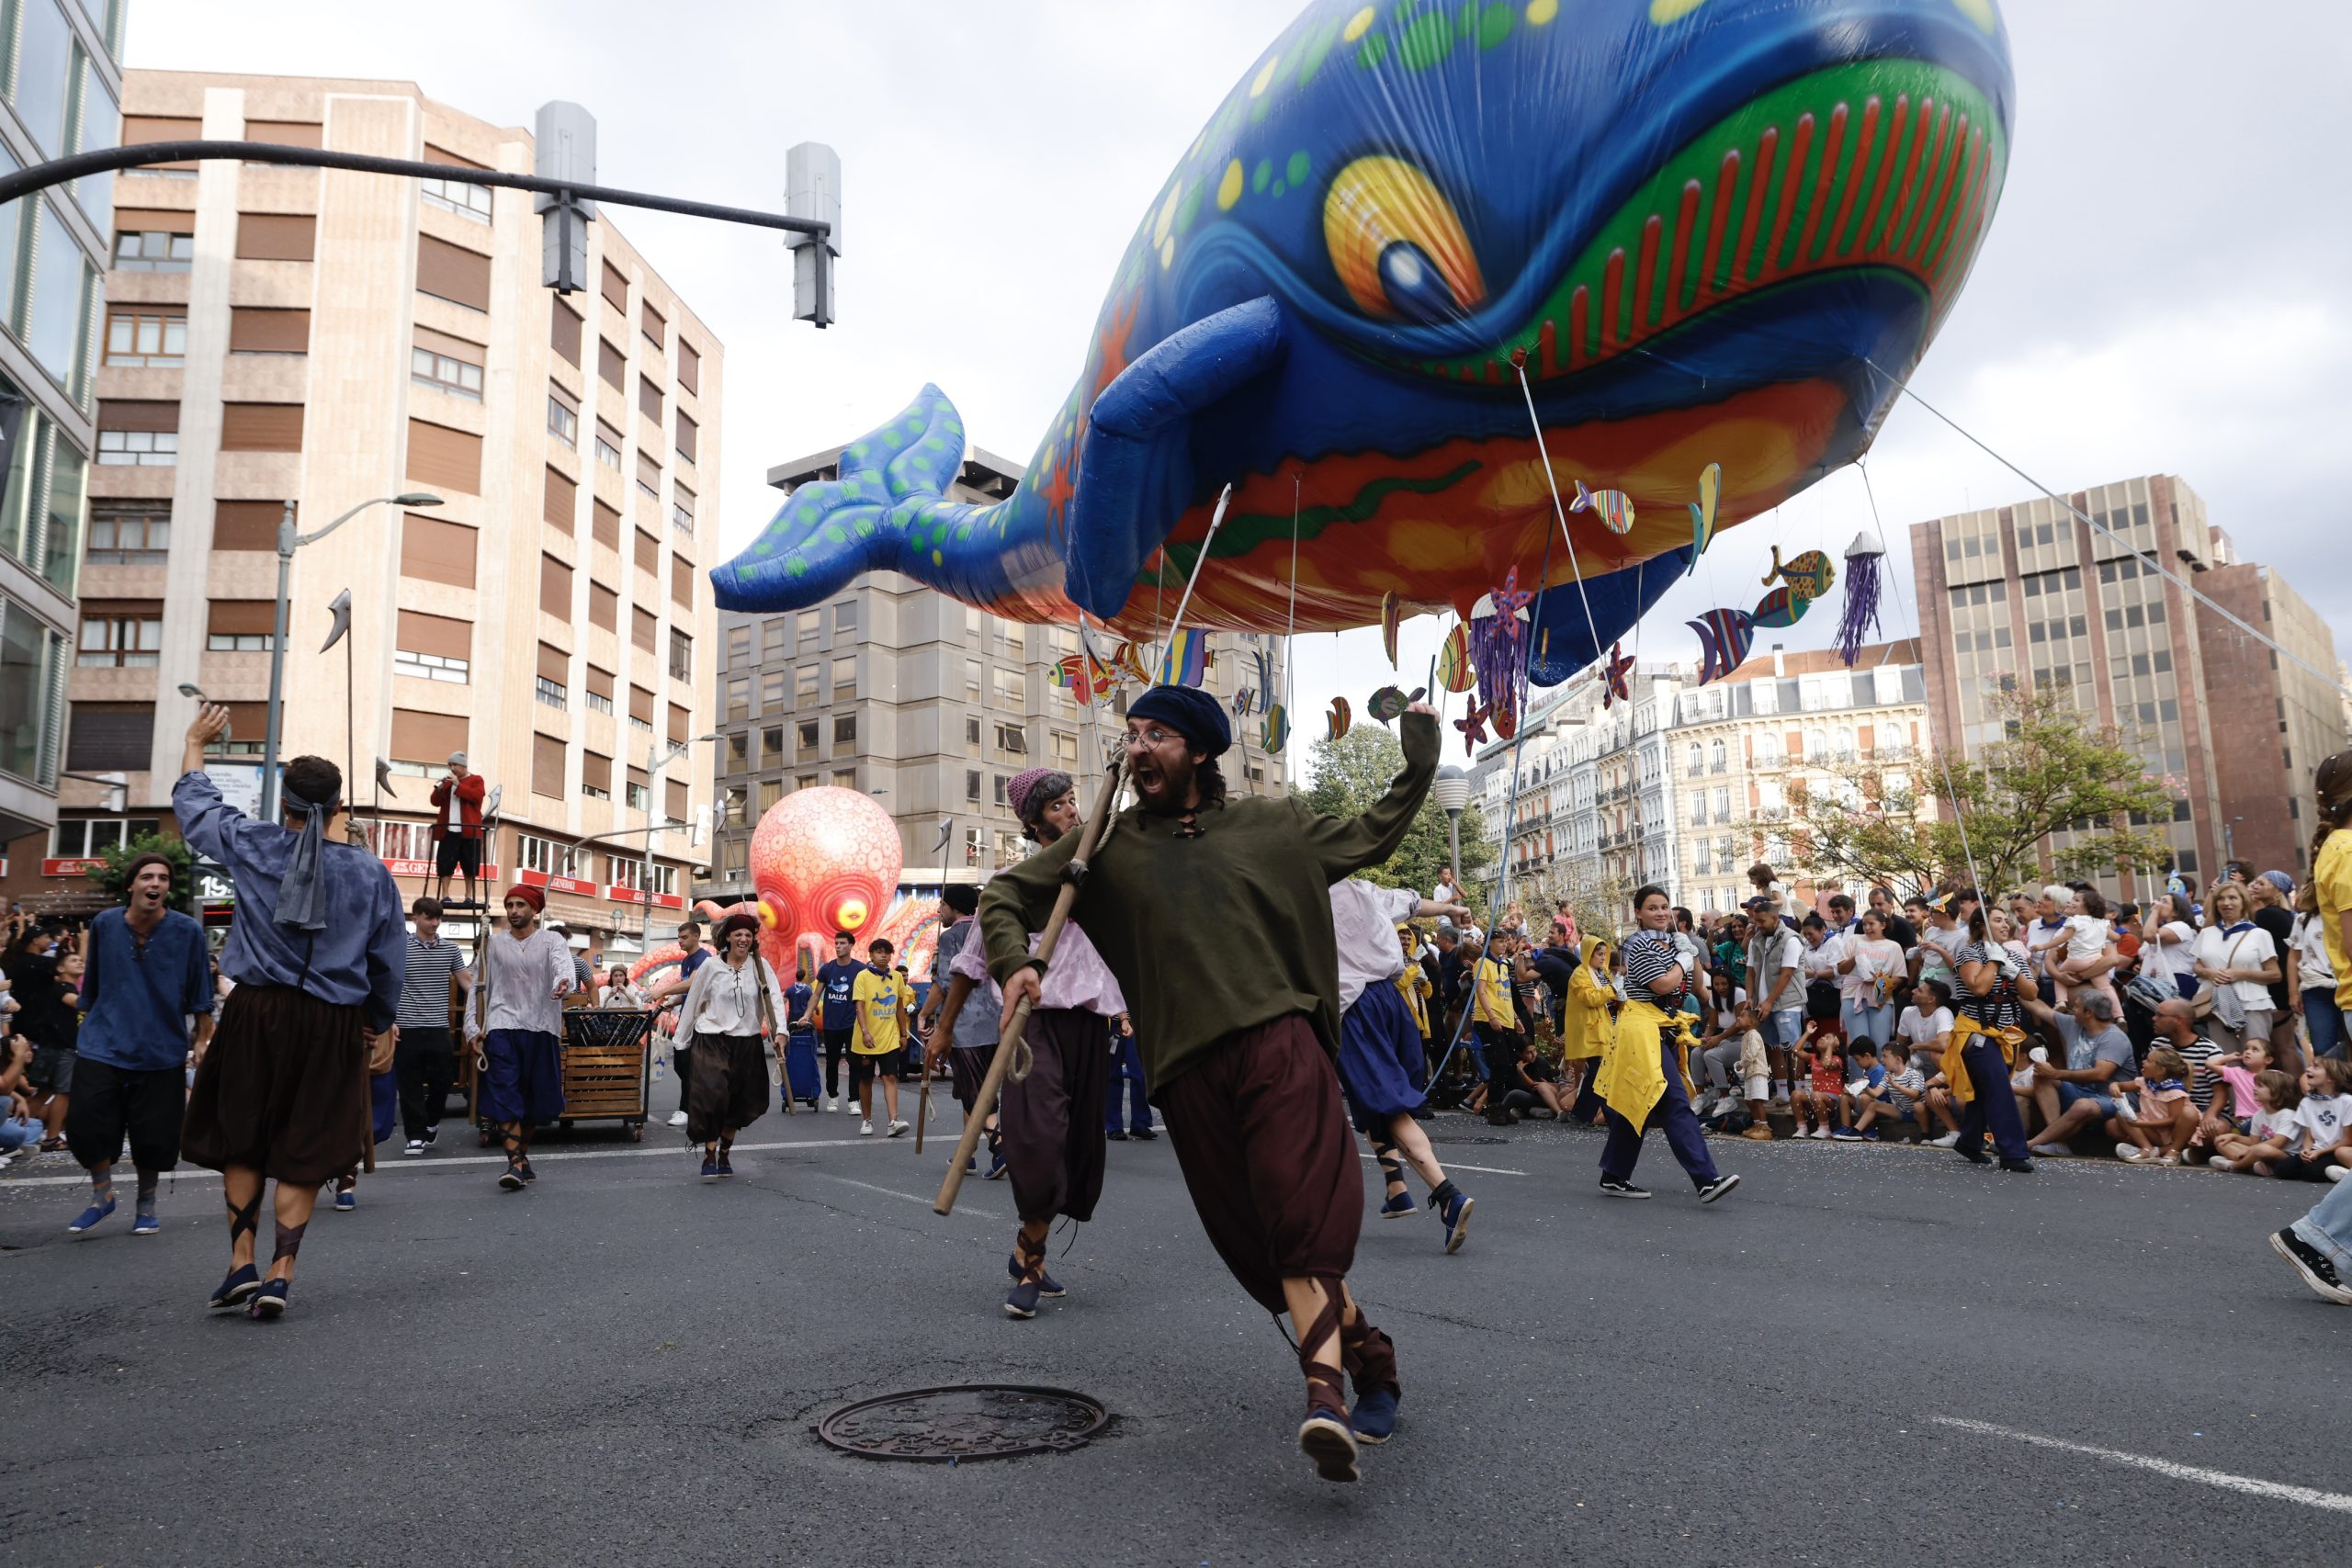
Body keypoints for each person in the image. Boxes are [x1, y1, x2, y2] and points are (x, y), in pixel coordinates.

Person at [980, 686, 1434, 1482]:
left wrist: (1419, 757)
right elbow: (1005, 895)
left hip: (1281, 1042)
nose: (1137, 747)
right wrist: (1016, 960)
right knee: (1258, 1243)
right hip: (1185, 1069)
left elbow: (1373, 833)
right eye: (1131, 735)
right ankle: (1371, 1358)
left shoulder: (1274, 824)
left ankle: (1323, 1399)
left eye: (1156, 734)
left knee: (1299, 1213)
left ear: (1197, 751)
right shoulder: (1106, 846)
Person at [175, 705, 406, 1318]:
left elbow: (197, 811)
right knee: (305, 1143)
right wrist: (379, 1023)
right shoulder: (371, 872)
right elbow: (387, 961)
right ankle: (281, 1271)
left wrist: (196, 743)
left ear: (285, 807)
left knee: (242, 1136)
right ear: (336, 810)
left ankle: (240, 1260)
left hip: (256, 1012)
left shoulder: (254, 844)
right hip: (331, 1020)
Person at [942, 768, 1125, 1316]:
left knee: (1078, 1149)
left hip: (1091, 1026)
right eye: (1058, 806)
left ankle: (1032, 1252)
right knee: (1039, 1139)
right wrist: (944, 1029)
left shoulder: (1101, 878)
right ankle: (1029, 1254)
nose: (1071, 811)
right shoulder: (1012, 885)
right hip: (1031, 1025)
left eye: (1074, 802)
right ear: (1033, 822)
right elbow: (970, 966)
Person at [61, 854, 215, 1238]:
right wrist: (83, 1028)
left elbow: (200, 992)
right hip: (103, 1042)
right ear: (131, 885)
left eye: (163, 878)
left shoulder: (187, 932)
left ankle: (146, 1204)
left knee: (154, 1135)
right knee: (87, 1122)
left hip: (160, 1048)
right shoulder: (105, 924)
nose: (156, 883)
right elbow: (91, 985)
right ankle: (102, 1196)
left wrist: (202, 1039)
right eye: (147, 876)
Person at [1328, 875, 1476, 1250]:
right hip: (1393, 1001)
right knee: (1371, 1098)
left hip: (1354, 1008)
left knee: (1388, 1105)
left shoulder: (1297, 897)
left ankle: (1448, 1197)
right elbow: (1412, 903)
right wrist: (1452, 909)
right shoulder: (1362, 888)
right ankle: (1397, 1188)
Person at [1591, 886, 1741, 1201]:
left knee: (1640, 1104)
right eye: (1652, 908)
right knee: (1674, 1101)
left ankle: (1614, 1176)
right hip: (1639, 1029)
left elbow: (1700, 988)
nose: (1660, 913)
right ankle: (1706, 1179)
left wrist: (1692, 955)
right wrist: (1683, 960)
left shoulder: (1671, 942)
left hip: (1660, 1028)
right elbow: (1662, 984)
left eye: (1664, 907)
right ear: (1639, 914)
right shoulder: (1639, 944)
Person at [462, 885, 573, 1190]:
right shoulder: (493, 944)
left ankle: (521, 1159)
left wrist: (564, 982)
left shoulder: (552, 941)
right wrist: (472, 1027)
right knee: (504, 1092)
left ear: (534, 910)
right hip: (501, 1026)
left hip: (541, 1026)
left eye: (520, 905)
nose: (514, 911)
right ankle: (514, 1164)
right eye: (510, 905)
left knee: (538, 1100)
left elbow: (563, 968)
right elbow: (478, 986)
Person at [672, 912, 788, 1180]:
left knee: (740, 1100)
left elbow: (775, 1001)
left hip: (746, 1041)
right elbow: (693, 1002)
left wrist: (781, 1032)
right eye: (738, 934)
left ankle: (725, 1152)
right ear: (728, 937)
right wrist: (681, 1040)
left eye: (748, 935)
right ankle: (709, 1152)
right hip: (711, 1038)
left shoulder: (760, 966)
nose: (744, 939)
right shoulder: (711, 967)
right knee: (713, 1094)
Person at [1941, 894, 2035, 1173]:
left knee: (1985, 1091)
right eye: (1998, 920)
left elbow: (2031, 993)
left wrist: (2013, 970)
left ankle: (1969, 1141)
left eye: (2007, 920)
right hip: (1975, 1032)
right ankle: (2013, 1152)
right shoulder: (1969, 953)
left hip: (2006, 1034)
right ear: (1982, 926)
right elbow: (1979, 988)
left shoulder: (2015, 955)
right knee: (1998, 1086)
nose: (2006, 924)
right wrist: (1993, 963)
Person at [922, 885, 1005, 1174]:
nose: (939, 910)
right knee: (973, 1088)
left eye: (942, 904)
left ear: (954, 907)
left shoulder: (951, 937)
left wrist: (924, 1013)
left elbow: (944, 983)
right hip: (996, 1023)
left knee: (975, 1091)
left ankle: (1001, 1145)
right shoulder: (992, 933)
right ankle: (966, 1153)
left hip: (965, 1026)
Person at [390, 897, 469, 1157]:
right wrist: (389, 1020)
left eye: (438, 918)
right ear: (415, 918)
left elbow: (467, 982)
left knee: (443, 1081)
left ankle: (432, 1120)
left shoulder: (450, 949)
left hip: (437, 1027)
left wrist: (490, 994)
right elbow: (388, 985)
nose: (434, 923)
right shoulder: (399, 947)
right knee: (409, 1084)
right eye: (428, 917)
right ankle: (415, 1136)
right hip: (406, 1026)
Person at [2017, 988, 2134, 1158]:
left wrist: (2056, 1073)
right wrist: (2016, 985)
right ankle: (2057, 1142)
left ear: (2089, 1013)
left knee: (2083, 1105)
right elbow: (2040, 1009)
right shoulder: (2074, 1024)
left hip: (2112, 1098)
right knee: (2042, 1076)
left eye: (2076, 1007)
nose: (2072, 1010)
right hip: (2078, 1091)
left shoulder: (2114, 1037)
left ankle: (2029, 1145)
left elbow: (2100, 1074)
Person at [2190, 880, 2279, 1062]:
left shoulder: (2259, 934)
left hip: (2252, 1002)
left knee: (2255, 1058)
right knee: (2225, 1059)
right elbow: (2197, 966)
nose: (2226, 903)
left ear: (2243, 902)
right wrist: (2210, 973)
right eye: (2221, 899)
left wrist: (2241, 974)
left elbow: (2275, 974)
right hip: (2216, 1004)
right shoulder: (2206, 933)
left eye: (2232, 898)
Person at [650, 919, 713, 1127]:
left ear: (696, 936)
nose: (680, 941)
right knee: (683, 1065)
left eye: (684, 937)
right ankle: (698, 1105)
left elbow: (694, 982)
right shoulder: (687, 960)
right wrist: (673, 1001)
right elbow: (690, 991)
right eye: (679, 937)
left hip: (701, 1021)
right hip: (687, 1018)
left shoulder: (703, 958)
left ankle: (687, 1109)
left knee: (688, 1065)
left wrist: (663, 990)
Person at [1747, 899, 1804, 1104]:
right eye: (1756, 921)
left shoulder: (1791, 939)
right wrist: (1750, 997)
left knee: (1794, 1050)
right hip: (1763, 1003)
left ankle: (1800, 1094)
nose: (1758, 925)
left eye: (1762, 921)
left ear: (1775, 918)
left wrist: (1769, 1001)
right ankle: (1783, 1094)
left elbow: (1787, 974)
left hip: (1787, 1003)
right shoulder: (1756, 940)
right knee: (1773, 1048)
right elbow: (1750, 970)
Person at [850, 937, 909, 1137]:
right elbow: (860, 1006)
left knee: (890, 1076)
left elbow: (899, 1007)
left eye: (887, 952)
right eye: (879, 952)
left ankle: (893, 1120)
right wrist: (866, 1032)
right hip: (866, 1039)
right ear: (871, 955)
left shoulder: (897, 977)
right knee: (865, 1079)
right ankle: (867, 1120)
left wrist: (903, 1033)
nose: (883, 955)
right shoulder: (862, 976)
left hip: (889, 1037)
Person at [2104, 1045, 2198, 1165]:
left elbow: (2173, 1120)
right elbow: (2121, 1085)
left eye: (2148, 1060)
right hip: (2153, 1131)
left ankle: (2174, 1150)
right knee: (2120, 1115)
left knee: (2189, 1113)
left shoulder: (2175, 1090)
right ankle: (2147, 1149)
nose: (2143, 1062)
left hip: (2172, 1134)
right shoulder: (2145, 1082)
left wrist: (2142, 1123)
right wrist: (2114, 1086)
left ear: (2160, 1070)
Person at [1470, 931, 1526, 1126]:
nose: (1504, 945)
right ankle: (1493, 1108)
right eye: (1500, 941)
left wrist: (1515, 1018)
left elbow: (1506, 995)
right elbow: (1482, 991)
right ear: (1489, 943)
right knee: (1499, 1063)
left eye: (1506, 941)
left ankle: (1501, 1106)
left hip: (1506, 1019)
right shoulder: (1482, 963)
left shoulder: (1503, 966)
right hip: (1488, 1019)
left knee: (1510, 1063)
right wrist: (1491, 1016)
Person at [1564, 934, 1617, 1125]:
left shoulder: (1603, 973)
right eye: (1599, 954)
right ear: (1588, 953)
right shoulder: (1580, 974)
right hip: (1591, 1032)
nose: (1603, 958)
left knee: (1598, 1074)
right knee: (1600, 1074)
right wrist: (1613, 991)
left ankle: (1581, 1114)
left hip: (1605, 1030)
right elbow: (1590, 998)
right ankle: (1607, 1116)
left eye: (1604, 954)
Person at [1836, 909, 1905, 1050]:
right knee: (1859, 1043)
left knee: (1880, 1044)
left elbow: (1900, 977)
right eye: (1865, 924)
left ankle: (1878, 1072)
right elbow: (1841, 969)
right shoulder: (1854, 940)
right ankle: (1858, 1073)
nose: (1867, 928)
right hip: (1853, 994)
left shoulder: (1893, 946)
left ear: (1883, 925)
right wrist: (1856, 958)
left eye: (1871, 924)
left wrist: (1879, 981)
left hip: (1880, 995)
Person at [2291, 881, 2343, 1063]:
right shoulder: (2303, 919)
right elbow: (2293, 957)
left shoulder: (2346, 915)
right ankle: (2331, 1089)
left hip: (2346, 985)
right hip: (2315, 989)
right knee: (2322, 1047)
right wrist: (2293, 993)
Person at [427, 750, 486, 908]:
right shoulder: (447, 782)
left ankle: (469, 895)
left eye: (454, 765)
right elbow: (435, 802)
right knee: (446, 863)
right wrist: (439, 789)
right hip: (448, 830)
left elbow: (477, 796)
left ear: (463, 765)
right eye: (450, 765)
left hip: (469, 830)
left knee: (470, 865)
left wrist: (458, 785)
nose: (452, 768)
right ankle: (445, 895)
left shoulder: (476, 779)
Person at [2212, 1070, 2302, 1172]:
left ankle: (2234, 1166)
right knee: (2221, 1142)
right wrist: (2234, 1137)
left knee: (2262, 1149)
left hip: (2286, 1156)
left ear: (2277, 1092)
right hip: (2259, 1151)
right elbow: (2253, 1141)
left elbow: (2278, 1143)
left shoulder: (2287, 1114)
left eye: (2260, 1086)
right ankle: (2256, 1165)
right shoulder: (2259, 1115)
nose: (2254, 1088)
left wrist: (2250, 1150)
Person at [814, 931, 865, 1113]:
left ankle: (854, 1100)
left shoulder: (860, 969)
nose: (838, 946)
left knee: (854, 1062)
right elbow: (816, 994)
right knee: (832, 1062)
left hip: (852, 1024)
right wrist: (806, 1013)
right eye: (836, 943)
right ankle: (833, 1097)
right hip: (831, 1025)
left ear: (851, 946)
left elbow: (866, 997)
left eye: (842, 943)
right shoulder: (827, 969)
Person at [1789, 1020, 1845, 1139]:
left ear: (1835, 1046)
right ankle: (1802, 1128)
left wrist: (1830, 1047)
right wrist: (1808, 1033)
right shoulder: (1813, 1058)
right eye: (1823, 1036)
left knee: (1815, 1095)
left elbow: (1826, 1064)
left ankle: (1824, 1128)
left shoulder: (1837, 1059)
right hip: (1816, 1098)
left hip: (1833, 1101)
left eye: (1828, 1038)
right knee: (1796, 1094)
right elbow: (1796, 1051)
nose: (1823, 1038)